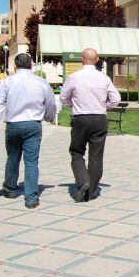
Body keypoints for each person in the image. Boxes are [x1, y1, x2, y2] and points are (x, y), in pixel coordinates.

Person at [0, 53, 57, 209]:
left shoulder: (6, 82)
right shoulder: (41, 82)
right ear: (31, 66)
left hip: (13, 124)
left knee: (12, 157)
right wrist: (49, 117)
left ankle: (10, 189)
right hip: (33, 124)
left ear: (15, 66)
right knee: (31, 161)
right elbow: (50, 102)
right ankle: (30, 197)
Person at [60, 48, 120, 202]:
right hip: (99, 118)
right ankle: (91, 191)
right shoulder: (104, 78)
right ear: (97, 59)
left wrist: (72, 104)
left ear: (82, 59)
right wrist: (104, 105)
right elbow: (115, 98)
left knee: (77, 152)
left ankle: (83, 181)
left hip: (81, 118)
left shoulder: (74, 77)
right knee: (96, 156)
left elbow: (63, 97)